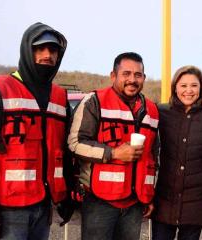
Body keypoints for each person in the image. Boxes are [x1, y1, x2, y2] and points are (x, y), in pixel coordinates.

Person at [0, 22, 74, 240]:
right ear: (27, 51)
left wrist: (66, 195)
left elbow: (63, 151)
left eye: (53, 50)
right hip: (7, 209)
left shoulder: (60, 96)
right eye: (39, 48)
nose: (47, 55)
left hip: (44, 206)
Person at [67, 52, 159, 240]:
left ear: (144, 78)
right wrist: (114, 153)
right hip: (99, 202)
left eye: (138, 75)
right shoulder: (95, 101)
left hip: (134, 204)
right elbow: (75, 144)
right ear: (113, 75)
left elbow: (153, 156)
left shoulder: (152, 110)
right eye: (126, 74)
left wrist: (148, 195)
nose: (132, 79)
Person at [152, 66, 202, 240]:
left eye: (194, 85)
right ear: (175, 87)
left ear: (201, 88)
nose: (189, 91)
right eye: (183, 85)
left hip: (197, 199)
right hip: (164, 197)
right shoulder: (161, 112)